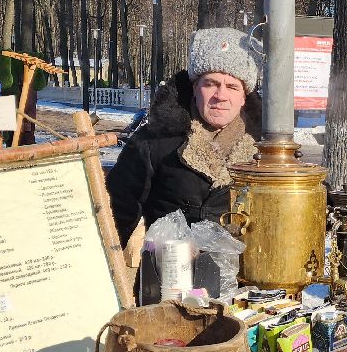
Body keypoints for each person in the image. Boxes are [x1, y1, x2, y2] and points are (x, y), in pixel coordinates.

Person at [106, 28, 262, 244]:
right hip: (167, 271)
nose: (221, 96)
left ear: (245, 96)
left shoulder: (265, 152)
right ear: (195, 86)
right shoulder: (153, 141)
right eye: (211, 84)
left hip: (240, 275)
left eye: (232, 87)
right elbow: (115, 215)